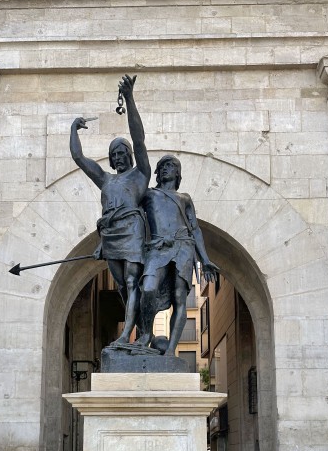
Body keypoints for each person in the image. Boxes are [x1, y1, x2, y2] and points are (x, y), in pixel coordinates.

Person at [70, 75, 150, 347]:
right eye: (114, 155)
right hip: (112, 234)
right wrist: (73, 130)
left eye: (122, 153)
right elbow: (79, 158)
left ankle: (126, 334)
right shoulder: (105, 180)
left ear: (129, 155)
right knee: (123, 287)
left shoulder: (140, 174)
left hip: (132, 229)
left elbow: (139, 139)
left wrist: (129, 98)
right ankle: (141, 326)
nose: (118, 157)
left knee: (132, 279)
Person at [135, 154, 219, 356]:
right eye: (162, 166)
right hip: (158, 248)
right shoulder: (149, 194)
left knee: (179, 297)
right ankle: (146, 335)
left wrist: (205, 259)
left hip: (183, 247)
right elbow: (131, 216)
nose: (166, 169)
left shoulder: (185, 198)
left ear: (177, 172)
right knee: (148, 288)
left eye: (170, 165)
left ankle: (171, 350)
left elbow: (195, 229)